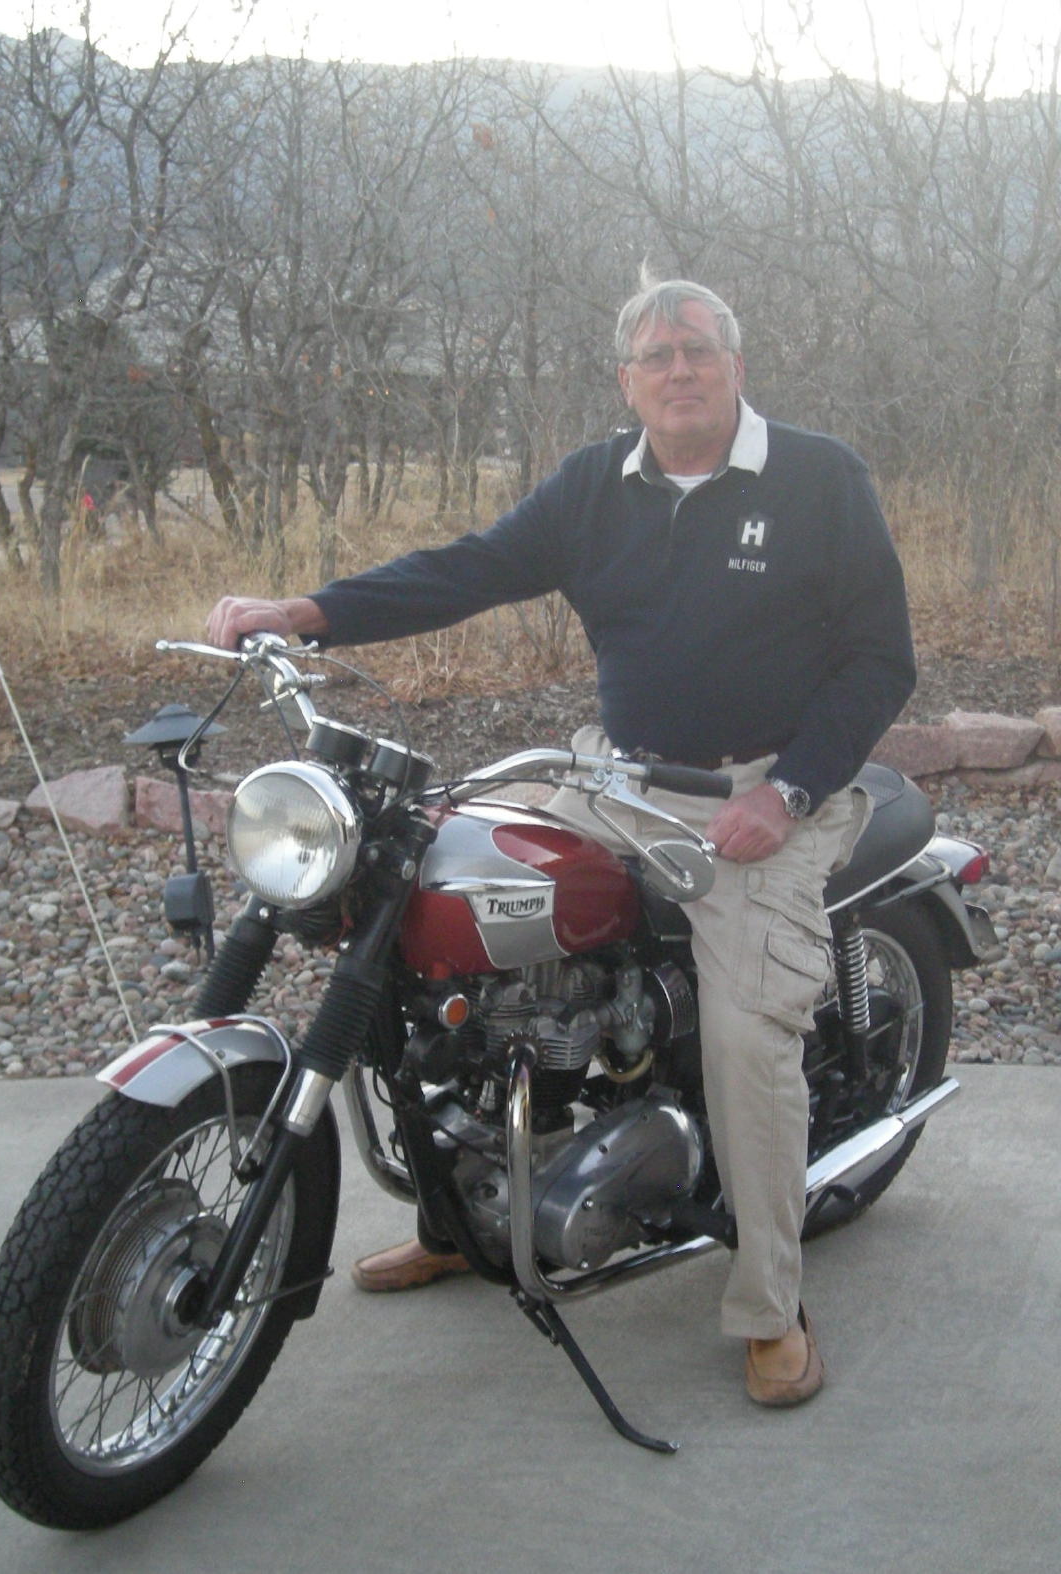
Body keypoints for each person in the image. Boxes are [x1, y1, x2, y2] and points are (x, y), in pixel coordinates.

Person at [207, 278, 916, 1407]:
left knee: (744, 1033)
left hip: (763, 797)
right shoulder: (597, 484)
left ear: (737, 363)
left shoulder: (818, 476)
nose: (677, 368)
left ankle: (772, 1302)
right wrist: (308, 611)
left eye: (696, 348)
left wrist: (785, 790)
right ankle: (457, 1213)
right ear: (625, 379)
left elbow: (882, 659)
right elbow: (467, 568)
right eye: (654, 353)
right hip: (613, 776)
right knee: (425, 912)